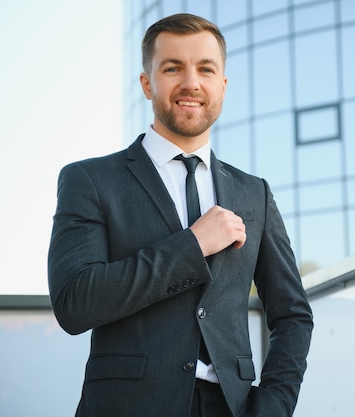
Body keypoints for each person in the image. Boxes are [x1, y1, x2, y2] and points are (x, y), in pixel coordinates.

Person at [47, 13, 313, 417]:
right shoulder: (89, 180)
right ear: (147, 83)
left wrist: (273, 405)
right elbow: (74, 302)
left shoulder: (253, 192)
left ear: (222, 86)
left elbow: (292, 315)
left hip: (232, 407)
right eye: (173, 68)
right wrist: (192, 245)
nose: (191, 82)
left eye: (206, 69)